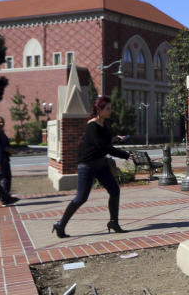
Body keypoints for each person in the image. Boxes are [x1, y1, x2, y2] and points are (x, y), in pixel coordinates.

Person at [52, 95, 131, 238]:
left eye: (110, 108)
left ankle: (114, 222)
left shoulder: (104, 125)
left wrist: (115, 139)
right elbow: (103, 146)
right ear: (99, 110)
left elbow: (105, 143)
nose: (110, 111)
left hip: (100, 164)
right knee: (80, 198)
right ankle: (60, 224)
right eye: (108, 108)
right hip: (87, 166)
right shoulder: (92, 126)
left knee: (114, 191)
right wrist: (125, 155)